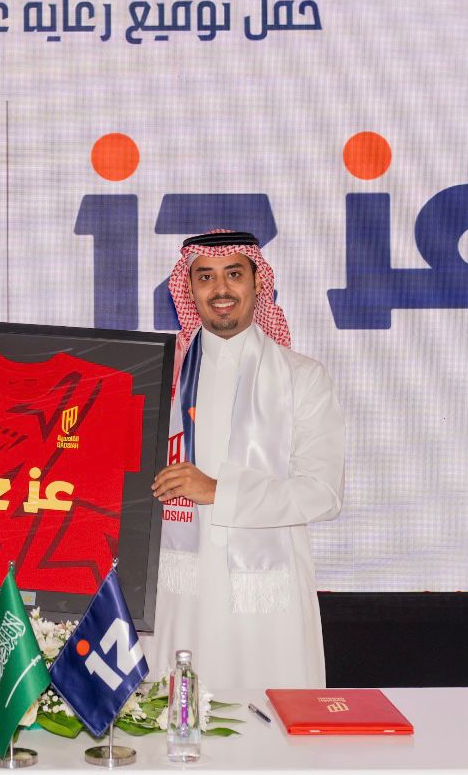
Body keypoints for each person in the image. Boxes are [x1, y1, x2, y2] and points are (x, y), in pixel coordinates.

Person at [146, 230, 345, 689]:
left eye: (234, 274)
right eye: (205, 277)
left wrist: (219, 491)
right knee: (175, 721)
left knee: (270, 724)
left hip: (266, 607)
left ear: (258, 283)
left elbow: (323, 494)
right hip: (179, 597)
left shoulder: (302, 378)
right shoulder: (158, 376)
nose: (220, 289)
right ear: (188, 288)